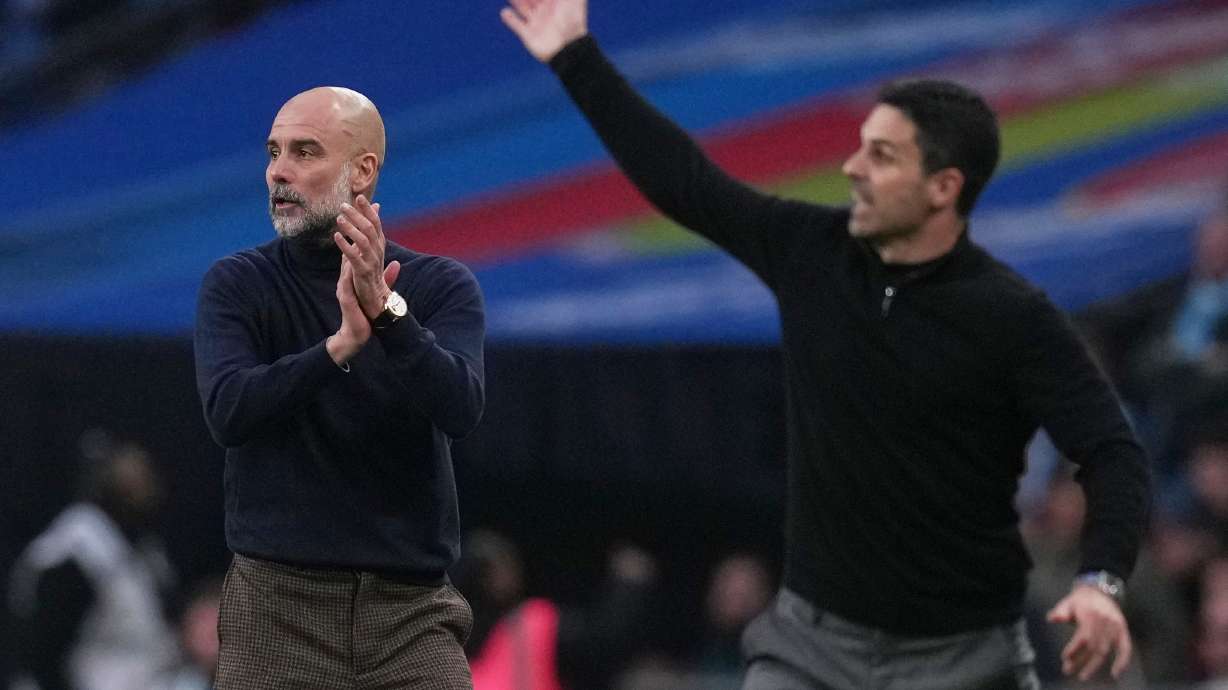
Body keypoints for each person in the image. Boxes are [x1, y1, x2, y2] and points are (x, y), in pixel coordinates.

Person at [500, 1, 1151, 687]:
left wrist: (1100, 580)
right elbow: (685, 181)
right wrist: (575, 55)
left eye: (881, 155)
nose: (852, 168)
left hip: (962, 654)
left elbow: (1112, 450)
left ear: (943, 188)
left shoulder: (1013, 317)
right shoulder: (813, 253)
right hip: (813, 645)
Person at [193, 85, 486, 688]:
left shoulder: (439, 286)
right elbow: (229, 411)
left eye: (305, 152)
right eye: (274, 152)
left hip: (411, 614)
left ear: (363, 171)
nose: (279, 171)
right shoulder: (238, 285)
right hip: (277, 610)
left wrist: (388, 315)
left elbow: (461, 408)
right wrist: (337, 348)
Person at [8, 431, 180, 690]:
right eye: (127, 463)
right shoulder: (74, 549)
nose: (140, 473)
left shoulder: (141, 545)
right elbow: (44, 650)